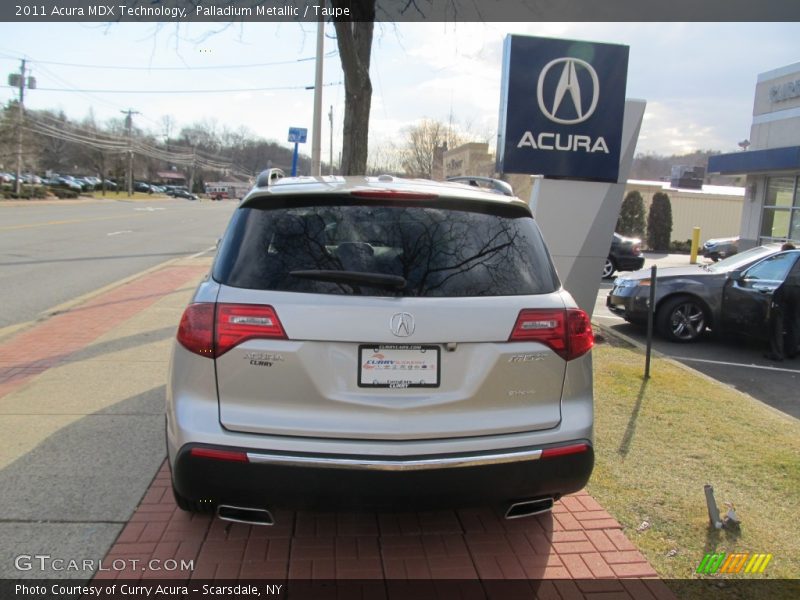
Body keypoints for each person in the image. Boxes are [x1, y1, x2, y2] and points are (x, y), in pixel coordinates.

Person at [765, 244, 799, 361]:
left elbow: (774, 274)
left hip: (785, 288)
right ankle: (792, 350)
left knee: (777, 320)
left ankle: (777, 352)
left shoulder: (786, 258)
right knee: (794, 320)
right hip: (798, 290)